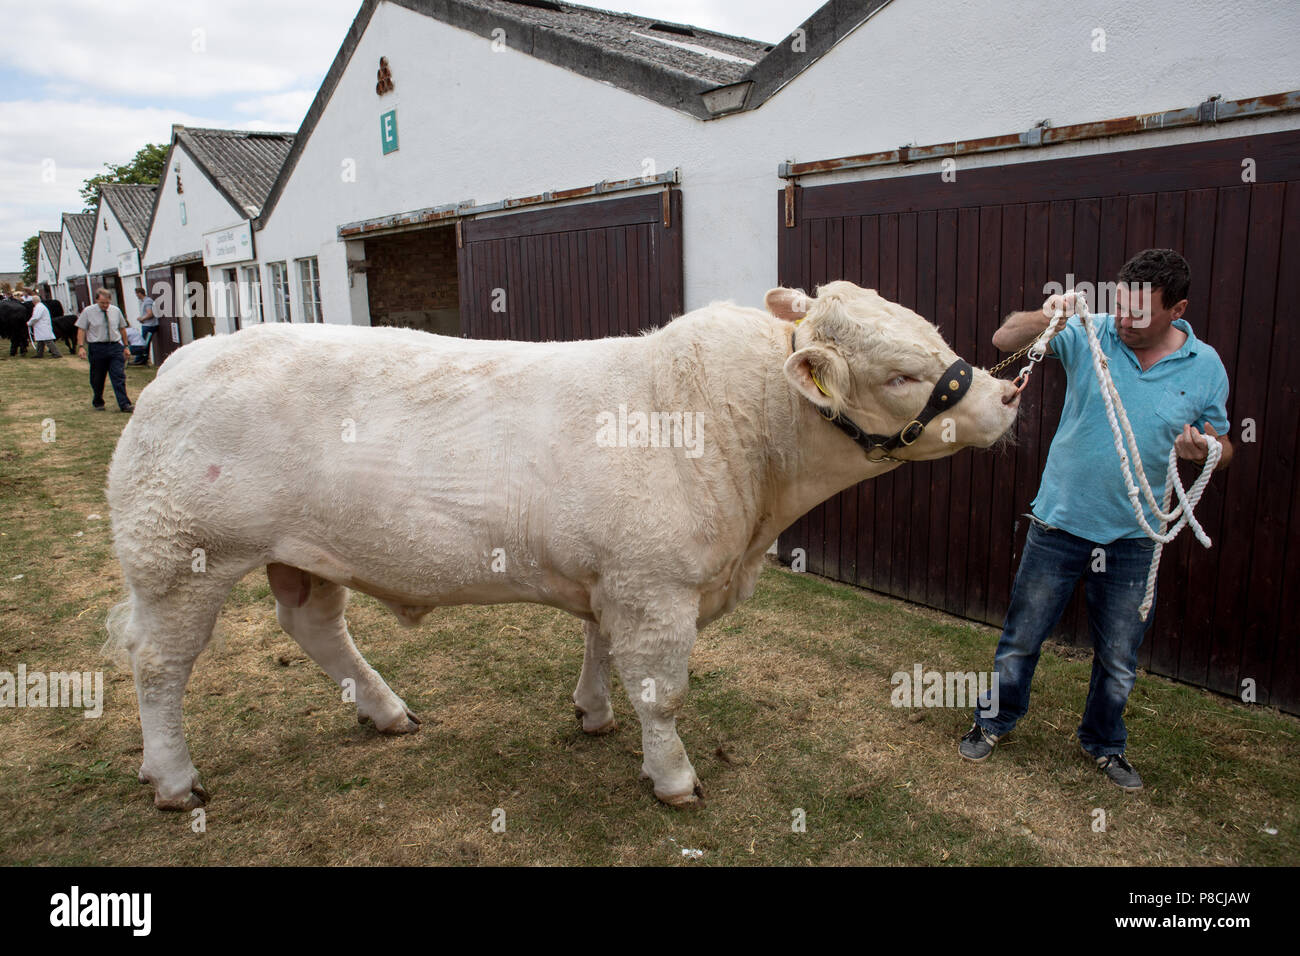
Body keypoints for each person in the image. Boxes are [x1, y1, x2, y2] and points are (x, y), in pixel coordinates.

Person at [958, 249, 1234, 791]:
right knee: (1022, 636)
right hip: (1059, 522)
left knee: (1118, 656)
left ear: (1176, 309)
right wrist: (1050, 315)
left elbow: (1225, 445)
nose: (1125, 321)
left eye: (1142, 313)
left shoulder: (1206, 367)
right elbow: (1003, 339)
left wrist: (1206, 451)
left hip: (1135, 537)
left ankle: (1104, 743)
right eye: (1122, 306)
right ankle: (994, 721)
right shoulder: (1092, 329)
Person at [75, 288, 134, 412]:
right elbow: (81, 329)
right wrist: (81, 347)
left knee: (118, 376)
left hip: (115, 347)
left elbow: (122, 328)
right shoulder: (88, 312)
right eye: (102, 303)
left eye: (107, 303)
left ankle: (124, 404)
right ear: (96, 300)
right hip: (97, 348)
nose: (105, 306)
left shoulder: (116, 311)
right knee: (97, 378)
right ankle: (98, 400)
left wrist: (126, 346)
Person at [26, 290, 60, 357]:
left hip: (43, 326)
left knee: (48, 340)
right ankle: (39, 354)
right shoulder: (40, 306)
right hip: (41, 326)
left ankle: (56, 353)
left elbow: (36, 317)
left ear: (34, 301)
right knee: (40, 341)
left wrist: (29, 323)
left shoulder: (39, 307)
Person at [133, 286, 157, 366]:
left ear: (140, 293)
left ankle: (140, 359)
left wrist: (142, 318)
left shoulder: (147, 301)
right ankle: (141, 359)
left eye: (137, 294)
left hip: (149, 325)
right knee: (144, 342)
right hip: (147, 325)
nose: (136, 296)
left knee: (144, 343)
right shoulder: (144, 301)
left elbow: (150, 313)